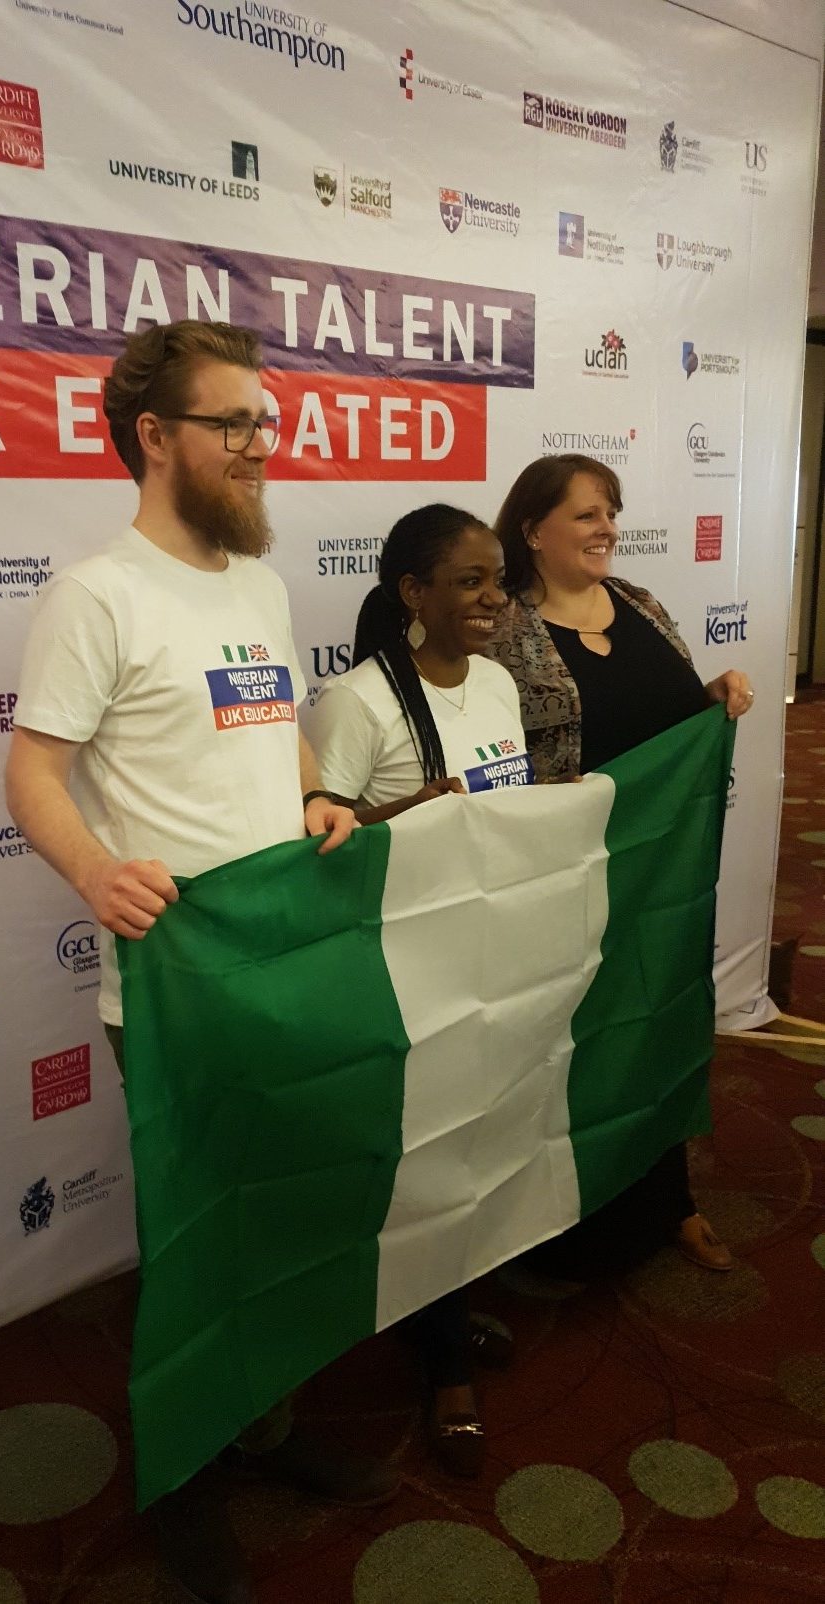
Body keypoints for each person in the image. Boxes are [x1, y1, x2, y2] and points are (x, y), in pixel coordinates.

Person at [4, 319, 398, 1604]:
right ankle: (182, 1476)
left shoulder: (258, 585)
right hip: (175, 982)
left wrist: (318, 793)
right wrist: (91, 870)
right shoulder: (97, 595)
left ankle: (263, 1430)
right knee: (197, 1234)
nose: (260, 447)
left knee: (277, 1207)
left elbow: (279, 734)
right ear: (156, 437)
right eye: (235, 424)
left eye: (265, 423)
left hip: (282, 956)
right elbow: (32, 771)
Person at [486, 452, 754, 1277]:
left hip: (658, 877)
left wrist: (712, 697)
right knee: (572, 1047)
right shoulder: (500, 629)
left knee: (658, 1028)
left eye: (611, 511)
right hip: (563, 881)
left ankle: (670, 1200)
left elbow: (667, 719)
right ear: (532, 530)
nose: (607, 528)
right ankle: (561, 1226)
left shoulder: (641, 605)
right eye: (586, 514)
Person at [304, 503, 528, 1479]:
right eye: (470, 580)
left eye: (498, 580)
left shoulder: (497, 683)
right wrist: (409, 811)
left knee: (478, 1143)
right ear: (412, 592)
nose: (492, 598)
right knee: (427, 1157)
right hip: (406, 972)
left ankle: (436, 1303)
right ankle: (443, 1366)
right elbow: (316, 843)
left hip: (495, 953)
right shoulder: (358, 702)